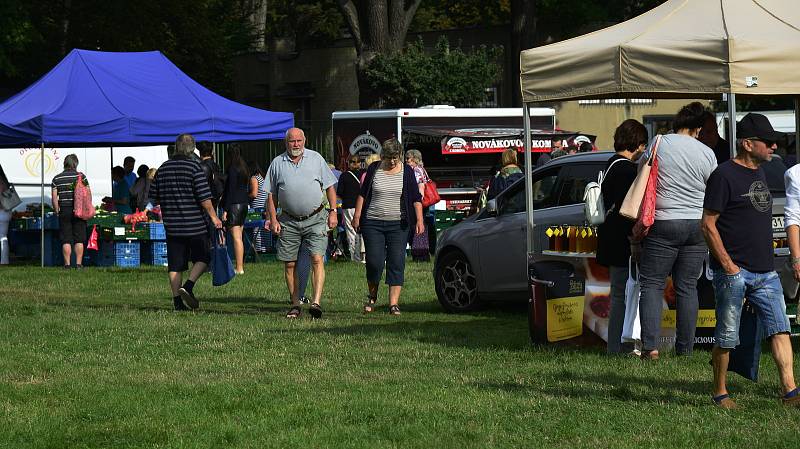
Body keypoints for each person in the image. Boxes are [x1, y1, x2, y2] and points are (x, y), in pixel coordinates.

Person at [703, 112, 800, 409]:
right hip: (735, 271)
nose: (774, 147)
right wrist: (729, 266)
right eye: (767, 142)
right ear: (747, 144)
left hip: (765, 272)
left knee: (779, 327)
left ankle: (790, 392)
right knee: (728, 334)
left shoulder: (761, 171)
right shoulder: (723, 175)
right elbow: (708, 224)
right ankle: (720, 392)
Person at [635, 102, 717, 360]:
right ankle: (685, 350)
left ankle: (650, 347)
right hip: (696, 224)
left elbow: (641, 174)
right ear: (698, 128)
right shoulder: (707, 152)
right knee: (687, 287)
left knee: (652, 284)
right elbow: (713, 188)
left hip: (664, 221)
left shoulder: (659, 143)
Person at [265, 127, 338, 319]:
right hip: (288, 220)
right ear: (286, 142)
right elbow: (271, 196)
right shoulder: (277, 163)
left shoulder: (316, 159)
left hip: (316, 218)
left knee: (316, 258)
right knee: (290, 264)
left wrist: (333, 211)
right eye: (292, 141)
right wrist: (273, 219)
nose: (296, 144)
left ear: (304, 141)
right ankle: (295, 303)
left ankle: (316, 302)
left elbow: (330, 187)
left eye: (299, 141)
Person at [149, 133, 223, 311]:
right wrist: (214, 217)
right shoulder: (195, 168)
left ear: (176, 147)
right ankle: (188, 286)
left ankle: (177, 303)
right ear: (192, 149)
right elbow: (205, 199)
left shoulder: (162, 169)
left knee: (175, 265)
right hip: (195, 224)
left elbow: (153, 198)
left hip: (172, 225)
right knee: (203, 257)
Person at [353, 138, 424, 315]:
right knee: (375, 262)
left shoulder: (407, 171)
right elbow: (362, 194)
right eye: (389, 157)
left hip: (399, 225)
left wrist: (420, 221)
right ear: (382, 155)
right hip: (372, 223)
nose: (392, 161)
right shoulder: (373, 168)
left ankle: (393, 304)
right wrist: (357, 215)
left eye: (396, 157)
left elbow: (416, 198)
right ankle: (372, 296)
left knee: (397, 261)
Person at [595, 119, 648, 354]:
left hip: (608, 238)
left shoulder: (609, 164)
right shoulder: (626, 170)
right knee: (623, 295)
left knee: (618, 293)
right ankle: (619, 346)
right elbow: (630, 210)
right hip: (622, 241)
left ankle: (617, 345)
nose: (644, 151)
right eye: (643, 145)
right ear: (637, 143)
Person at [51, 154, 90, 268]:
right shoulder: (81, 176)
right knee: (79, 238)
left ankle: (67, 264)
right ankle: (78, 264)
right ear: (75, 164)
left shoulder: (57, 178)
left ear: (65, 163)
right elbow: (88, 193)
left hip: (64, 210)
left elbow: (54, 198)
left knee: (66, 239)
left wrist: (57, 210)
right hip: (79, 210)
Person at [221, 146, 250, 275]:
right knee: (240, 237)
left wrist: (226, 210)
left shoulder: (232, 169)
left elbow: (230, 191)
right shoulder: (244, 168)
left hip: (234, 206)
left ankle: (239, 267)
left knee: (236, 238)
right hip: (244, 204)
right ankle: (240, 265)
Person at [405, 149, 436, 261]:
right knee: (421, 227)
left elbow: (420, 187)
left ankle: (420, 255)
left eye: (408, 158)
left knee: (418, 227)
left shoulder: (416, 170)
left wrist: (418, 201)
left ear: (414, 159)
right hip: (422, 204)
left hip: (419, 203)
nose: (406, 160)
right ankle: (421, 254)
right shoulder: (421, 169)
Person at [337, 155, 363, 262]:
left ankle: (354, 256)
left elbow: (339, 192)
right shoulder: (363, 174)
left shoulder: (344, 176)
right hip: (362, 206)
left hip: (348, 206)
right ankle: (363, 256)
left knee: (351, 231)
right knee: (362, 231)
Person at [198, 142, 224, 211]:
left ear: (200, 153)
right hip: (215, 198)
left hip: (205, 201)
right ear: (211, 152)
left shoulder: (200, 166)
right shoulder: (216, 166)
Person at [249, 160, 268, 253]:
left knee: (256, 229)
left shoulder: (254, 178)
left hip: (257, 208)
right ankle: (264, 249)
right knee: (263, 229)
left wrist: (245, 195)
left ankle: (258, 251)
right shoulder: (262, 177)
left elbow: (254, 194)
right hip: (263, 207)